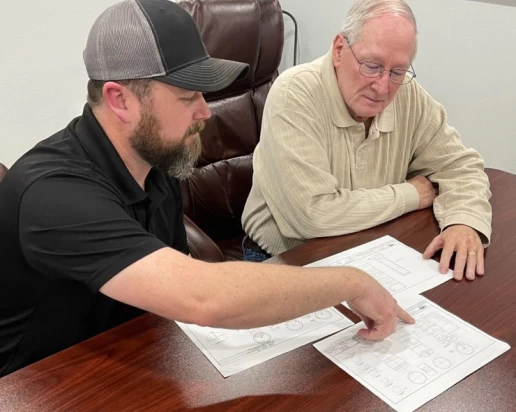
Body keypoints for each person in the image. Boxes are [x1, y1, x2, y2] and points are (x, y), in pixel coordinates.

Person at [0, 0, 414, 377]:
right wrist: (350, 283)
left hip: (133, 357)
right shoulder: (53, 194)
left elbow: (172, 283)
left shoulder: (155, 163)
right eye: (187, 97)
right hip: (42, 385)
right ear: (120, 100)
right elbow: (203, 297)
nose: (205, 111)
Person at [241, 0, 492, 282]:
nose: (382, 87)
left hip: (372, 250)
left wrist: (463, 221)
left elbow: (460, 166)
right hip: (285, 259)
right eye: (372, 66)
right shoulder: (294, 94)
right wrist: (411, 194)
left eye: (397, 72)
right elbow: (312, 215)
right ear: (339, 50)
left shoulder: (408, 95)